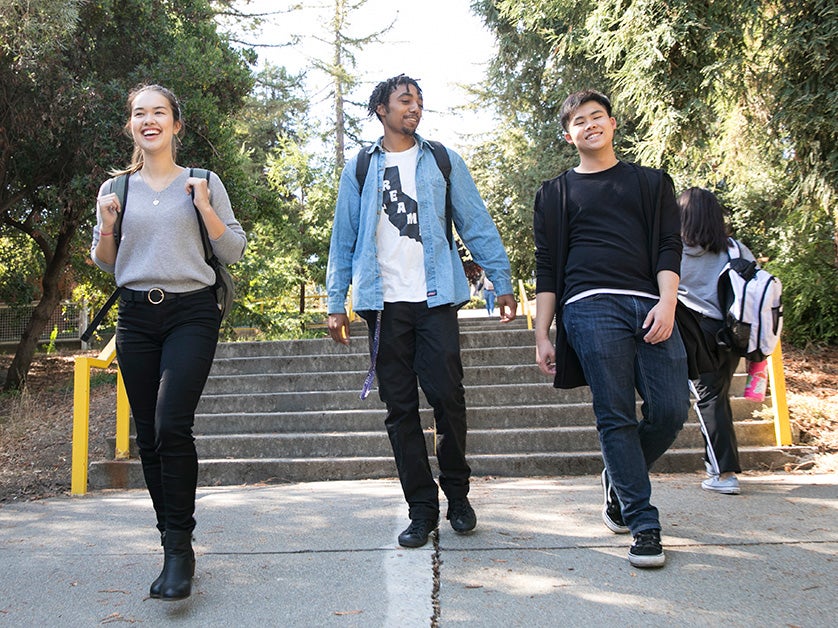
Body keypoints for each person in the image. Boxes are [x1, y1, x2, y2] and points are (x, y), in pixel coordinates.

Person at [326, 74, 517, 549]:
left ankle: (458, 493)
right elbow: (343, 239)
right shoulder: (362, 167)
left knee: (448, 398)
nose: (414, 108)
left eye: (419, 101)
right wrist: (336, 302)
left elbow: (475, 221)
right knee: (400, 410)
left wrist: (502, 280)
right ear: (381, 110)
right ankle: (421, 509)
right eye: (404, 100)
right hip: (384, 306)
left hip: (435, 301)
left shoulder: (443, 161)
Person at [91, 84, 246, 600]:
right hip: (136, 317)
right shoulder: (116, 189)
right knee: (150, 439)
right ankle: (170, 542)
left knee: (171, 424)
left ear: (176, 124)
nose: (149, 120)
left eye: (159, 112)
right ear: (131, 125)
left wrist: (204, 208)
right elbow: (108, 263)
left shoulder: (203, 181)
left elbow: (233, 249)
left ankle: (181, 549)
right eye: (140, 113)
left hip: (191, 313)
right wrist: (108, 227)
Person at [533, 89, 689, 568]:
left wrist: (667, 303)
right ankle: (643, 524)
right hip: (587, 306)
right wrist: (542, 333)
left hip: (649, 304)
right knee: (615, 413)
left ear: (613, 123)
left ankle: (618, 480)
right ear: (569, 135)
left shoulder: (650, 183)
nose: (589, 124)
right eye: (579, 121)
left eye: (596, 116)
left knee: (670, 409)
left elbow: (668, 246)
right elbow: (547, 268)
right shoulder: (555, 193)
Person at [677, 187, 756, 495]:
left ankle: (724, 474)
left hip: (696, 332)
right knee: (717, 397)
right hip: (733, 332)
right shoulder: (736, 249)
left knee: (708, 399)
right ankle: (716, 467)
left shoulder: (674, 250)